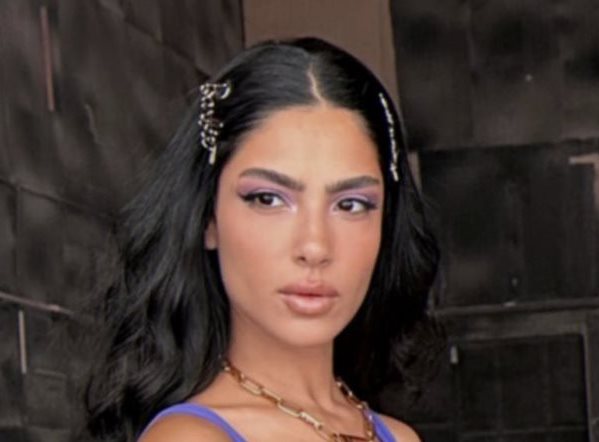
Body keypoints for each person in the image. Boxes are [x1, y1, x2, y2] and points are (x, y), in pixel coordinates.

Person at [83, 37, 440, 441]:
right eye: (268, 199)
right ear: (208, 217)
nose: (315, 247)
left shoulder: (397, 436)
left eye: (351, 204)